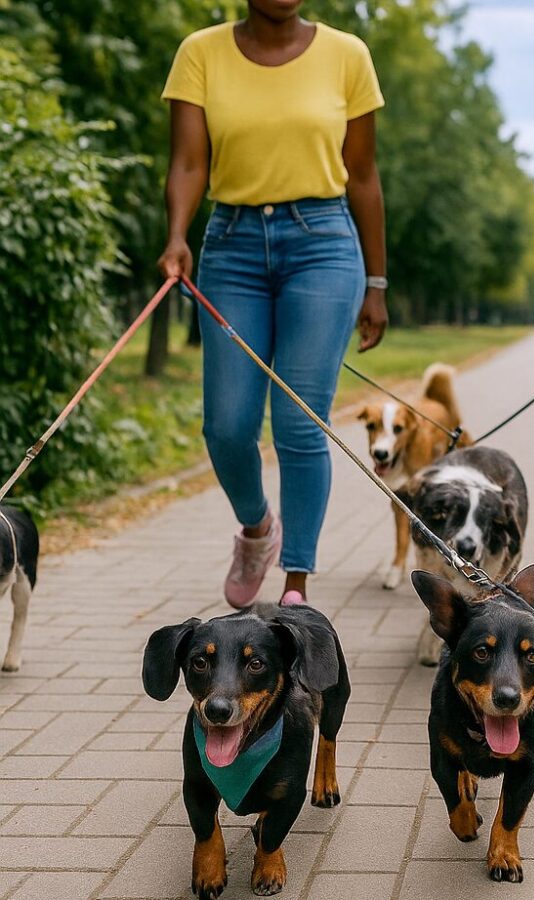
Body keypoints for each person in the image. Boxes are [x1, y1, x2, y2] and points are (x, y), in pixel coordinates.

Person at [157, 0, 388, 608]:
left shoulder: (348, 55)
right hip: (230, 246)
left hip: (324, 244)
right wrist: (177, 235)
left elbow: (362, 174)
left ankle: (296, 586)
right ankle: (258, 529)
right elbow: (187, 162)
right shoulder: (200, 53)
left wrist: (378, 283)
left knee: (298, 419)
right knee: (227, 426)